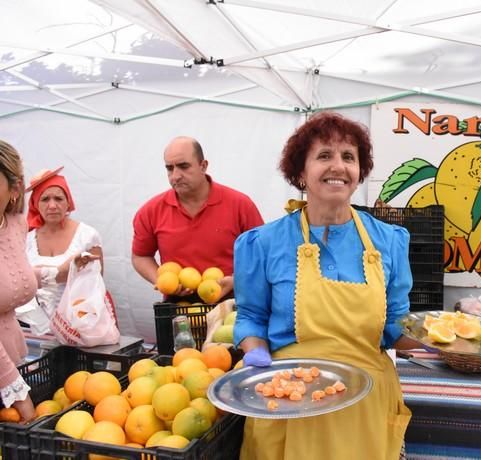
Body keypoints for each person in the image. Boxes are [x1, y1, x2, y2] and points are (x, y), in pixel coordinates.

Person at [233, 112, 417, 460]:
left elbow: (395, 326)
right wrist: (255, 351)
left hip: (365, 406)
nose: (338, 166)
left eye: (349, 157)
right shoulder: (263, 243)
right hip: (289, 399)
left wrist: (438, 339)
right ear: (300, 173)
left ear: (360, 172)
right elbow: (252, 316)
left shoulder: (389, 241)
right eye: (324, 156)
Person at [131, 136, 264, 300]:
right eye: (169, 168)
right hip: (178, 308)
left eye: (183, 166)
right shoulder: (150, 211)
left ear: (203, 166)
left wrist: (237, 280)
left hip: (233, 304)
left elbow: (262, 253)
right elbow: (140, 256)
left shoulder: (240, 204)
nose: (175, 176)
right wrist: (161, 280)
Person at [19, 167, 104, 330]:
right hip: (35, 325)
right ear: (35, 204)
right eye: (45, 199)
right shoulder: (26, 239)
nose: (52, 205)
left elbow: (96, 285)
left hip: (78, 324)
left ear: (68, 202)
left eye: (58, 198)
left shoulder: (87, 235)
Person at [0, 140, 38, 422]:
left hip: (12, 357)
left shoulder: (15, 224)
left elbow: (11, 278)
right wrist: (16, 389)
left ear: (15, 189)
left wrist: (58, 272)